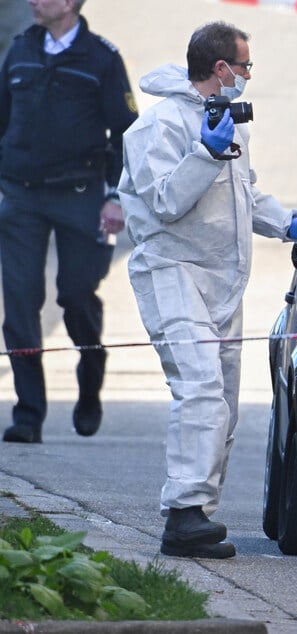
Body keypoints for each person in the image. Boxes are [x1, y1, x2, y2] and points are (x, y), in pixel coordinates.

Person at [118, 21, 297, 559]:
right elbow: (167, 202)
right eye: (244, 67)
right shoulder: (159, 127)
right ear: (221, 69)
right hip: (172, 272)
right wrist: (204, 154)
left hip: (221, 280)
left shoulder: (228, 124)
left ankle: (199, 512)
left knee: (223, 403)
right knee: (198, 390)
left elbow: (246, 195)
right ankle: (184, 516)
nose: (247, 76)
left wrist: (291, 224)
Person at [0, 0, 138, 444]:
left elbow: (125, 133)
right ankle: (28, 414)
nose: (34, 2)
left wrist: (116, 196)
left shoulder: (102, 58)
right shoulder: (20, 50)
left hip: (81, 196)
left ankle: (91, 365)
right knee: (20, 304)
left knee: (76, 296)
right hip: (21, 196)